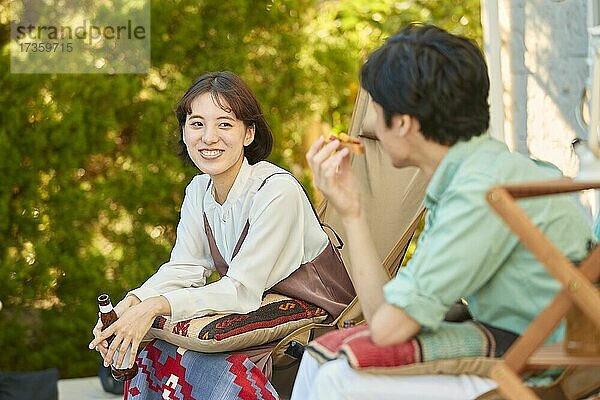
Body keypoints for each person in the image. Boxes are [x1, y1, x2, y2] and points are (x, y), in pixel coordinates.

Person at [291, 24, 595, 400]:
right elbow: (383, 316)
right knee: (320, 360)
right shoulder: (478, 174)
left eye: (377, 108)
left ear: (403, 123)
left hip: (549, 364)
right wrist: (351, 212)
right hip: (526, 340)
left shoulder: (476, 193)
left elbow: (386, 328)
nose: (369, 124)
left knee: (338, 381)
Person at [88, 71, 355, 399]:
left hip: (314, 316)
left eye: (224, 124)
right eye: (197, 123)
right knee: (154, 347)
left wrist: (155, 307)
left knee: (196, 357)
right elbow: (185, 268)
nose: (208, 137)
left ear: (248, 133)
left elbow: (241, 290)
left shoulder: (276, 190)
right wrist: (131, 304)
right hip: (254, 305)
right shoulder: (199, 190)